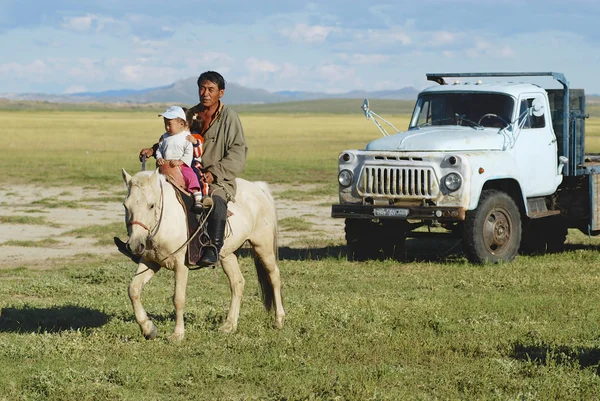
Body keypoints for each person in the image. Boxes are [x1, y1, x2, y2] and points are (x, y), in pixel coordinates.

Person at [140, 71, 248, 266]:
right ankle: (144, 241)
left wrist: (214, 173)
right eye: (202, 88)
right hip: (185, 172)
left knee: (216, 199)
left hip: (217, 178)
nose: (205, 93)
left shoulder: (229, 118)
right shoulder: (189, 114)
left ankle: (213, 248)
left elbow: (238, 151)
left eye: (211, 89)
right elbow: (173, 138)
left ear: (221, 93)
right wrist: (153, 149)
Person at [154, 105, 206, 210]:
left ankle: (197, 197)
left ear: (181, 124)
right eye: (165, 124)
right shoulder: (165, 137)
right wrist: (159, 157)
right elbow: (159, 150)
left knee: (191, 176)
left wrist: (181, 162)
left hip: (182, 165)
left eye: (169, 124)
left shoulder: (185, 137)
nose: (167, 127)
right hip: (167, 165)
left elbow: (189, 151)